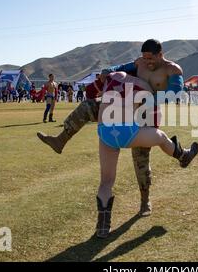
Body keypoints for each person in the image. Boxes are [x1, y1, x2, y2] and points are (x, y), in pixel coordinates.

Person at [37, 39, 185, 217]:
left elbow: (175, 93)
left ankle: (145, 201)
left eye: (150, 58)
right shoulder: (139, 63)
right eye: (144, 58)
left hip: (146, 113)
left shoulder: (173, 70)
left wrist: (146, 97)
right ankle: (61, 139)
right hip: (126, 106)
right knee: (88, 106)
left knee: (141, 159)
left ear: (161, 55)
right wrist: (109, 72)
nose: (147, 62)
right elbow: (120, 68)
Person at [95, 71, 198, 238]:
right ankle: (183, 156)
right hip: (127, 131)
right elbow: (163, 99)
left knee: (106, 182)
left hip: (105, 132)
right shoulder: (142, 84)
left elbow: (94, 90)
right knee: (161, 138)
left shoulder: (110, 77)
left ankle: (102, 227)